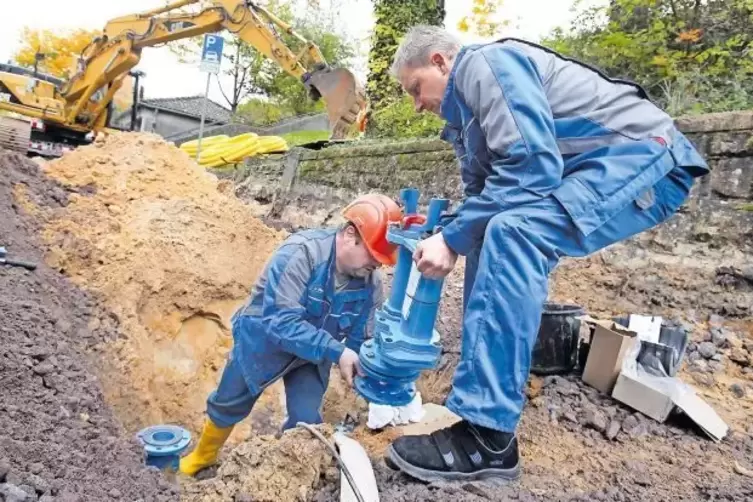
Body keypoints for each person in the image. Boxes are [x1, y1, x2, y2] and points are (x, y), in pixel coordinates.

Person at [385, 25, 709, 483]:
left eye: (415, 89)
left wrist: (453, 240)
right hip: (604, 168)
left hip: (642, 157)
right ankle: (487, 398)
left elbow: (531, 167)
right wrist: (455, 234)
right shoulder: (467, 120)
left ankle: (488, 438)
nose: (416, 104)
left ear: (440, 61)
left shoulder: (484, 64)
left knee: (514, 232)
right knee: (491, 231)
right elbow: (485, 193)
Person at [179, 194, 401, 476]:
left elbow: (362, 340)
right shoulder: (302, 254)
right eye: (374, 254)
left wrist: (372, 377)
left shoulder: (371, 284)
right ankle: (203, 456)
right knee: (229, 401)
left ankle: (283, 474)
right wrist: (338, 351)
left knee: (306, 421)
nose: (378, 265)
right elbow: (280, 322)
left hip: (313, 354)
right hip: (263, 339)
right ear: (349, 235)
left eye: (382, 259)